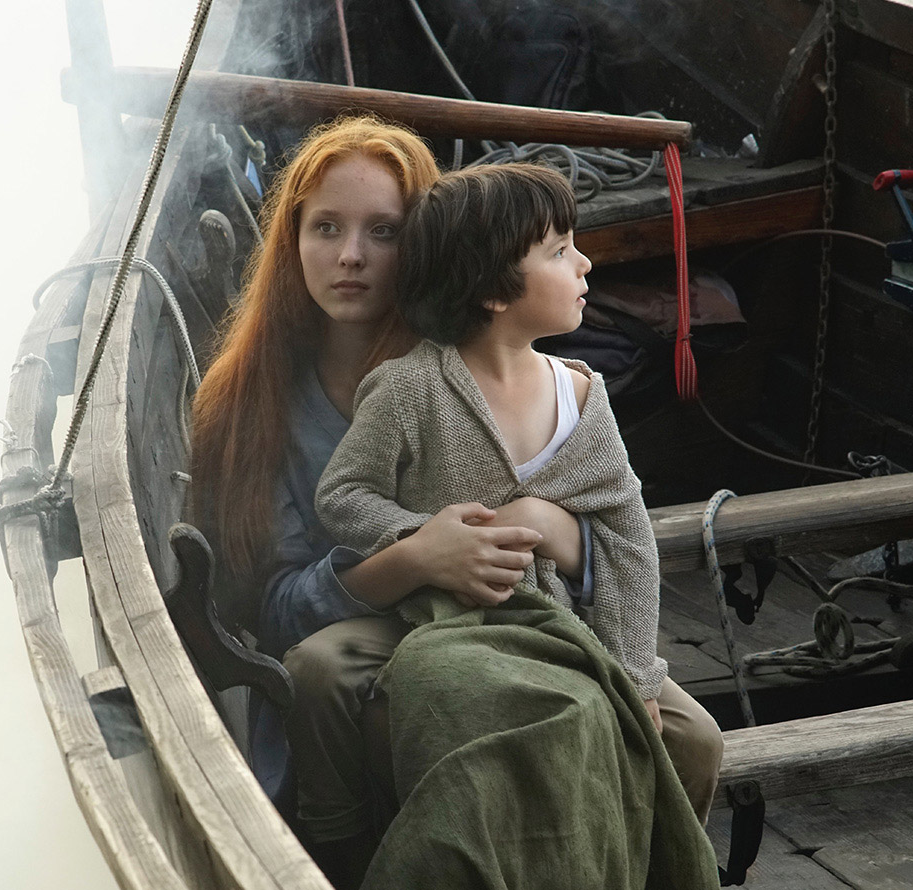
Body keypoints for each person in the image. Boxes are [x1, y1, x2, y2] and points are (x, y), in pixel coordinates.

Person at [313, 163, 722, 887]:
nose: (585, 264)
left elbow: (629, 543)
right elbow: (343, 494)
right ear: (496, 291)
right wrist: (426, 537)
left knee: (696, 742)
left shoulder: (584, 397)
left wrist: (637, 676)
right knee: (326, 673)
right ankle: (346, 854)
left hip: (560, 626)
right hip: (437, 618)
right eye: (561, 251)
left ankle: (638, 863)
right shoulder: (410, 390)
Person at [190, 116, 549, 889]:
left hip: (499, 627)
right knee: (340, 686)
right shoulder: (251, 401)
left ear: (422, 244)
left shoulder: (470, 368)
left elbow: (563, 522)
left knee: (688, 735)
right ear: (293, 241)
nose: (350, 256)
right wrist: (413, 559)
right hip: (336, 673)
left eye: (383, 231)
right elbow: (271, 614)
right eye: (326, 227)